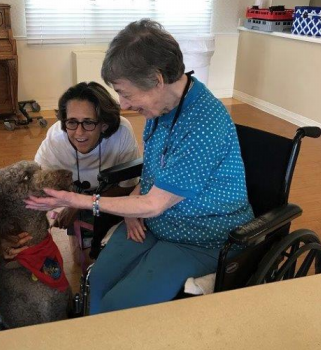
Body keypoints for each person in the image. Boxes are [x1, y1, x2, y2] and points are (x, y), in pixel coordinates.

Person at [25, 19, 254, 315]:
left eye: (126, 92)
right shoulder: (161, 107)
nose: (123, 104)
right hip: (155, 223)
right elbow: (153, 175)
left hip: (202, 235)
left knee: (118, 306)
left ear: (157, 79)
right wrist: (132, 204)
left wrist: (74, 199)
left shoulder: (203, 122)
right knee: (97, 281)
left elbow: (156, 203)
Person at [34, 81, 140, 260]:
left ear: (104, 124)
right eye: (72, 122)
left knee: (106, 257)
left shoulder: (122, 132)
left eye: (89, 123)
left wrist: (77, 204)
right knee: (79, 260)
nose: (79, 133)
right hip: (71, 195)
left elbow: (128, 187)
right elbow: (38, 183)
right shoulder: (56, 138)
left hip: (109, 196)